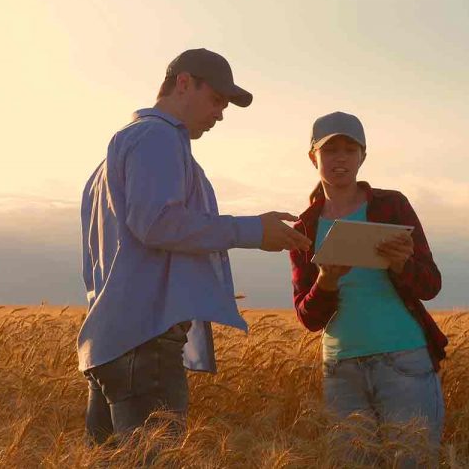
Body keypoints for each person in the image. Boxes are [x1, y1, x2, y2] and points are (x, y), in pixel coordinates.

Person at [79, 48, 312, 444]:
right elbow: (157, 223)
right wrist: (252, 232)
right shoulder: (158, 137)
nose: (220, 113)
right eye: (216, 99)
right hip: (143, 339)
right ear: (184, 83)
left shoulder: (115, 154)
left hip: (109, 343)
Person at [288, 111, 448, 466]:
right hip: (341, 371)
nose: (340, 158)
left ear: (363, 156)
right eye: (330, 151)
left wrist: (401, 264)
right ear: (313, 156)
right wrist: (326, 282)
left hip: (405, 360)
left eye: (350, 149)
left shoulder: (392, 205)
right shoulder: (305, 227)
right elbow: (308, 318)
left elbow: (431, 284)